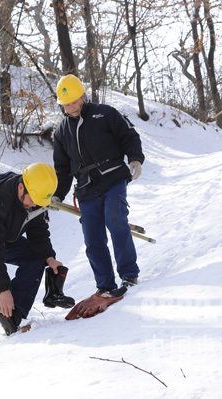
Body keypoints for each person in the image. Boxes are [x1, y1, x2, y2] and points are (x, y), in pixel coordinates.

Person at [52, 74, 145, 302]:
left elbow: (129, 136)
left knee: (116, 220)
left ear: (83, 96)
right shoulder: (61, 131)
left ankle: (129, 275)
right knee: (93, 238)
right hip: (85, 187)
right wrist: (57, 194)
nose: (71, 108)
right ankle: (104, 285)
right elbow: (62, 168)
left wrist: (135, 159)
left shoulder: (104, 113)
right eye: (66, 105)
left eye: (74, 102)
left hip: (112, 177)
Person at [0, 163, 69, 335]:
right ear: (21, 187)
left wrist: (49, 258)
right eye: (32, 200)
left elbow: (38, 232)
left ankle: (17, 314)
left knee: (35, 259)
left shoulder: (36, 197)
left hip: (4, 237)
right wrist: (3, 289)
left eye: (38, 203)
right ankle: (7, 320)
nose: (33, 205)